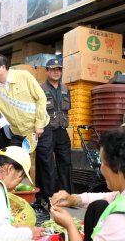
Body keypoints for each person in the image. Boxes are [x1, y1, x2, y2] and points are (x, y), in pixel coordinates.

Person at [50, 126, 125, 241]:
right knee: (97, 206)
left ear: (117, 165)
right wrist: (73, 199)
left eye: (103, 163)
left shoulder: (122, 217)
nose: (100, 168)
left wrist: (70, 225)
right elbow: (108, 197)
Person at [0, 54, 55, 204]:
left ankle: (45, 198)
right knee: (15, 164)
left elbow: (41, 98)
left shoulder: (24, 76)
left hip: (39, 129)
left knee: (45, 162)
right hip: (18, 132)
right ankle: (20, 196)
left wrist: (39, 124)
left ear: (3, 67)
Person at [40, 58, 75, 194]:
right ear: (46, 71)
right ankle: (45, 195)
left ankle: (67, 194)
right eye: (53, 69)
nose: (56, 72)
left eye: (58, 69)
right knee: (46, 164)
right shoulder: (40, 88)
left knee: (66, 163)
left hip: (62, 131)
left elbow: (67, 109)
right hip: (46, 131)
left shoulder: (66, 89)